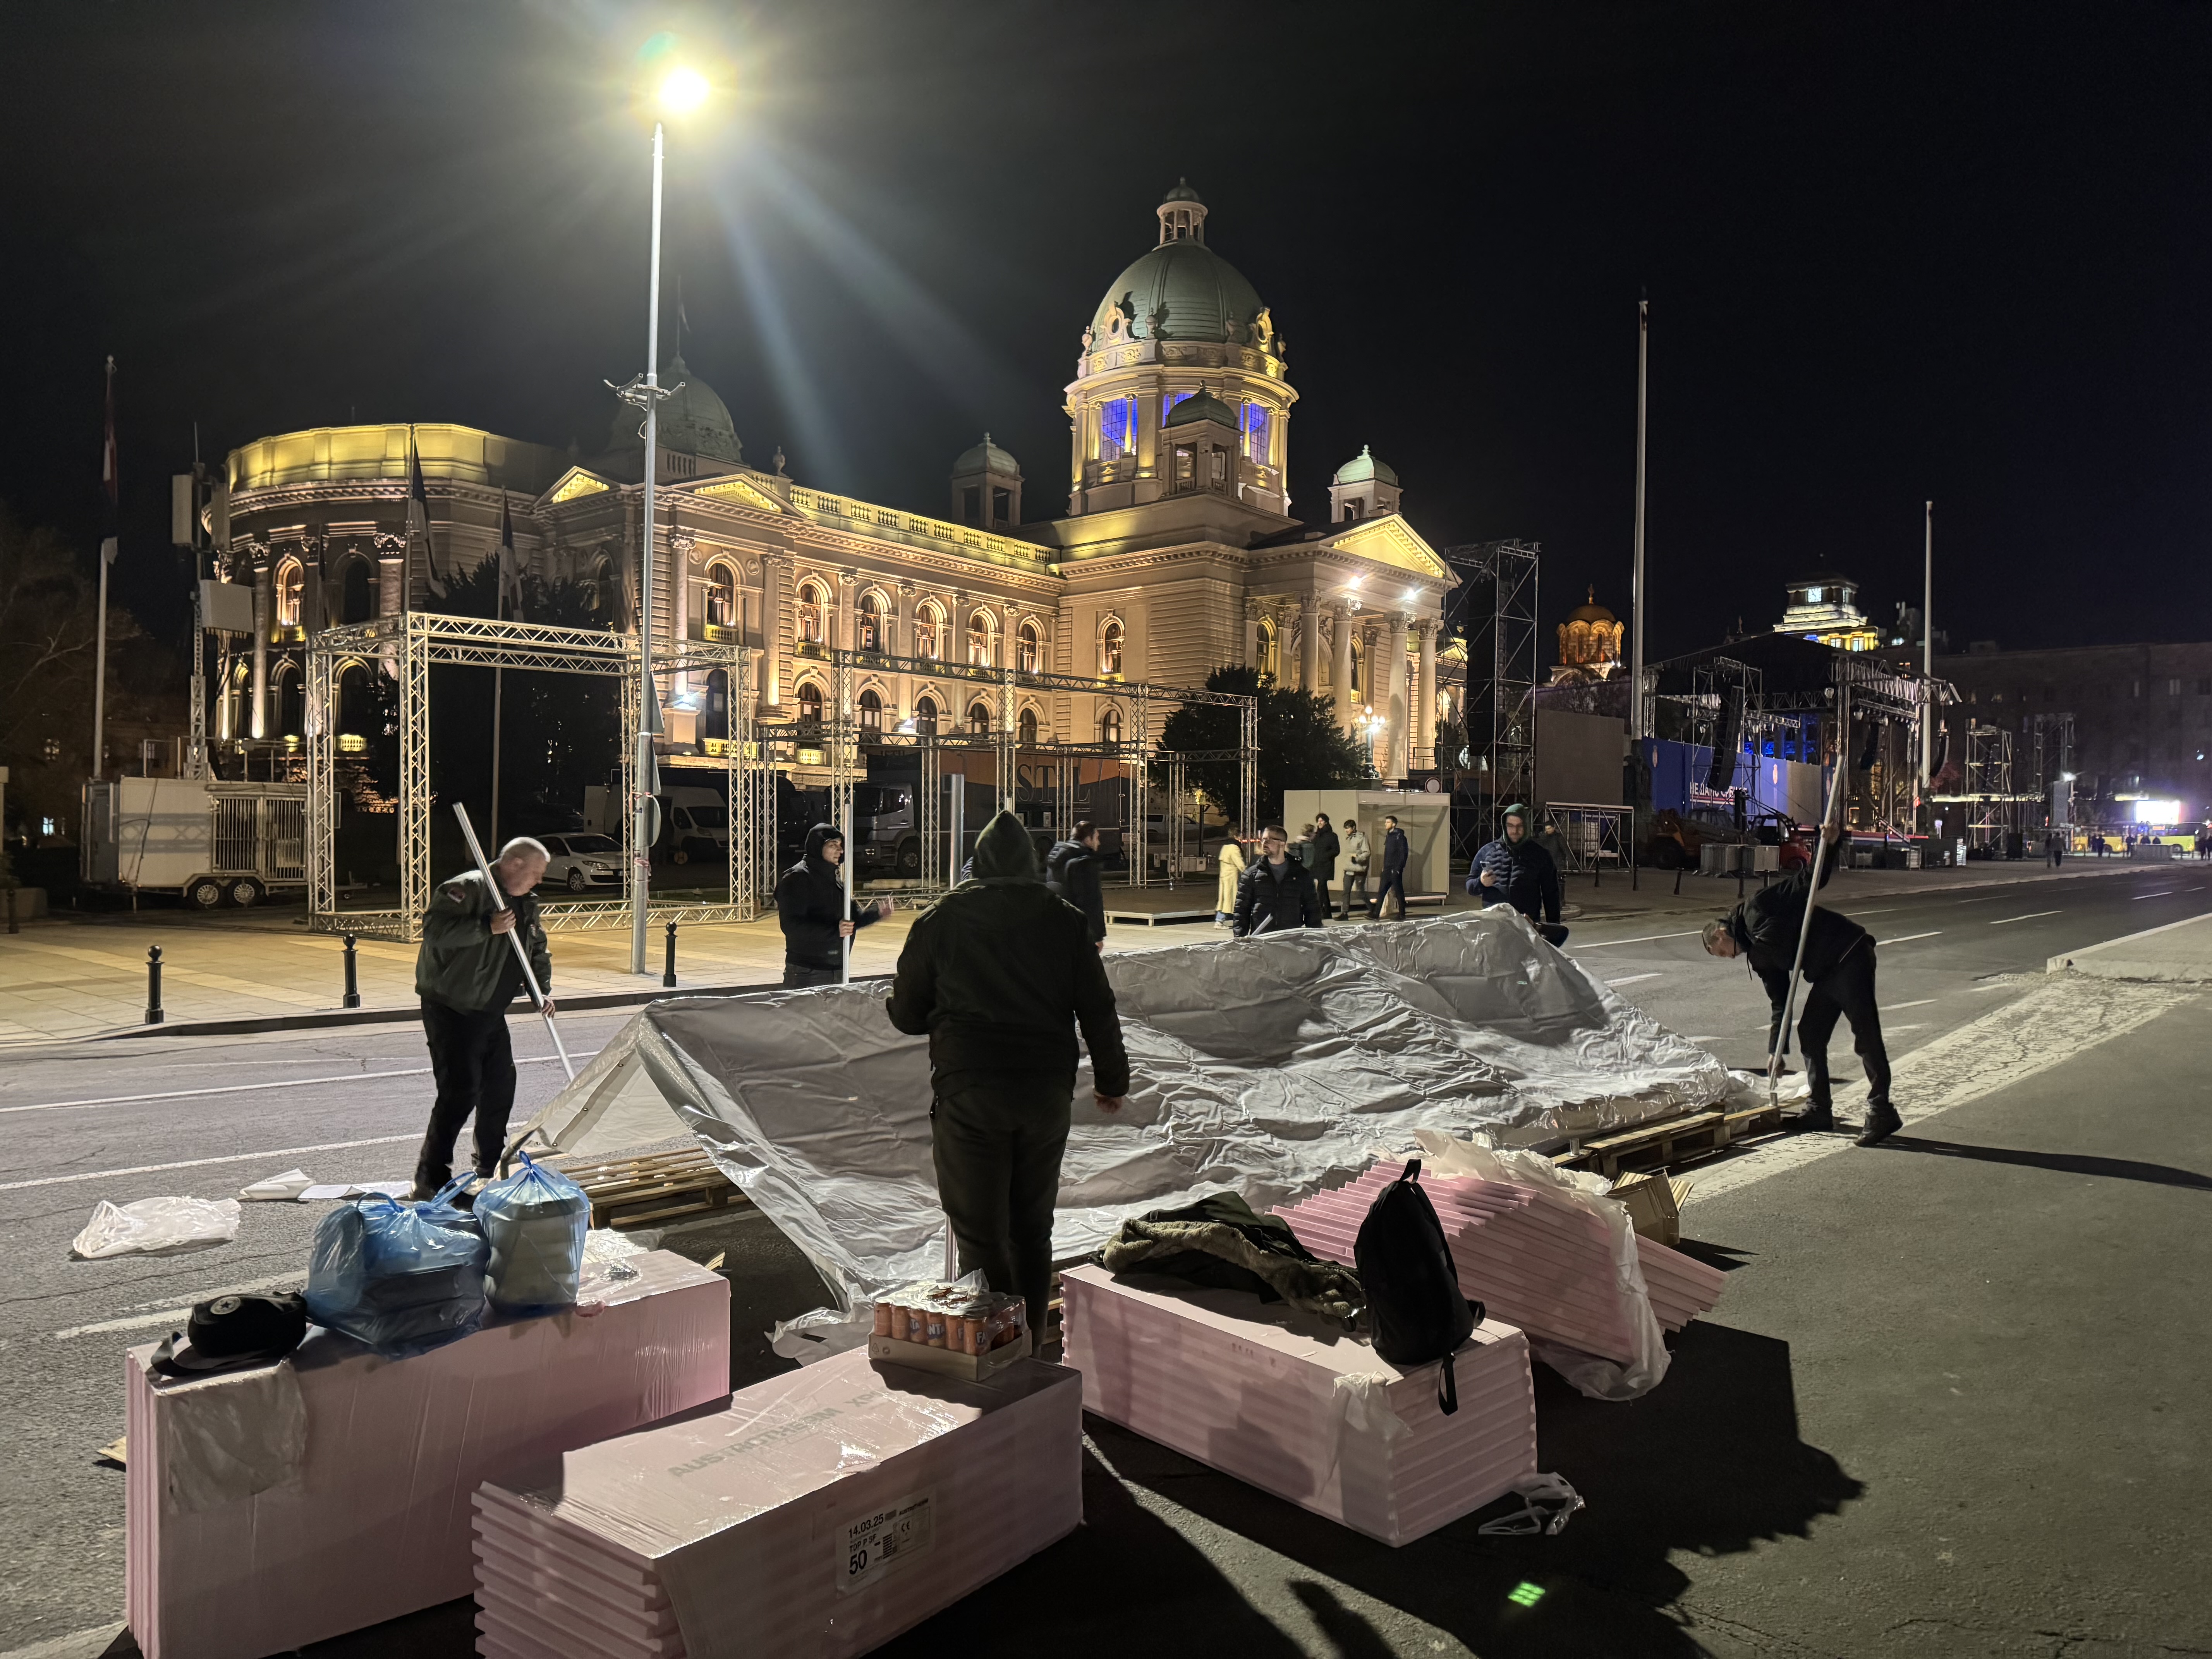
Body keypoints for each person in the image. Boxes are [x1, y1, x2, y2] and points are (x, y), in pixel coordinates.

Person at [887, 811, 1130, 1334]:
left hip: (969, 1091)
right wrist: (1112, 1081)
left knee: (979, 1233)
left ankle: (999, 1351)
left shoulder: (941, 920)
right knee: (1032, 1230)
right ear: (1030, 864)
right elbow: (1098, 1007)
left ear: (981, 862)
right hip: (1044, 1093)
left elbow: (907, 1014)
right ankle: (1035, 1345)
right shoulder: (1064, 919)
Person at [1700, 823, 1899, 1146]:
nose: (1729, 958)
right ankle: (1820, 1109)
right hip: (1825, 973)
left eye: (1722, 953)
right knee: (1811, 1033)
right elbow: (1781, 1003)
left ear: (1721, 934)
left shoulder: (1759, 906)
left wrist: (1830, 845)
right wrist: (1775, 1051)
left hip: (1849, 953)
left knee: (1865, 1033)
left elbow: (1809, 881)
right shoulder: (1758, 959)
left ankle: (1882, 1110)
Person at [409, 836, 553, 1200]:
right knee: (460, 1092)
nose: (539, 881)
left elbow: (535, 946)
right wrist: (486, 927)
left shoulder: (526, 902)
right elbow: (434, 932)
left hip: (490, 1008)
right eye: (536, 873)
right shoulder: (467, 889)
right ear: (516, 864)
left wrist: (541, 991)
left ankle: (489, 1166)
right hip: (453, 1007)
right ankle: (431, 1178)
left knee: (500, 1087)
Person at [776, 824, 892, 988]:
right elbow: (791, 926)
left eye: (840, 845)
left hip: (837, 968)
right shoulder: (798, 878)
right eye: (833, 845)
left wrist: (876, 914)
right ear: (817, 847)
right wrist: (834, 931)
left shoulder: (835, 880)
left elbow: (851, 921)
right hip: (808, 971)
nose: (840, 851)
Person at [1467, 802, 1567, 945]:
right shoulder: (1487, 852)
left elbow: (1551, 895)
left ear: (1526, 826)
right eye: (1510, 826)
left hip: (1526, 928)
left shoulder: (1540, 856)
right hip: (1493, 928)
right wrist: (1481, 883)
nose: (1515, 831)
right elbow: (1470, 886)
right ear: (1504, 826)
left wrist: (1553, 932)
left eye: (1519, 826)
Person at [1234, 824, 1326, 936]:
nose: (1264, 843)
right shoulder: (1251, 875)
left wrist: (1315, 938)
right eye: (1263, 840)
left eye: (1270, 840)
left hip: (1291, 940)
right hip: (1262, 940)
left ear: (1282, 844)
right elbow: (1242, 911)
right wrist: (1240, 940)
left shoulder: (1301, 874)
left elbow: (1312, 909)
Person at [1045, 819, 1108, 949]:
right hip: (1078, 931)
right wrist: (1097, 936)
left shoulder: (1056, 858)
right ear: (1088, 839)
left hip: (1055, 927)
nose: (1099, 842)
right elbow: (1091, 902)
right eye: (1097, 838)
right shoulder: (1085, 863)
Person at [1368, 814, 1410, 919]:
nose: (1385, 824)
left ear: (1394, 824)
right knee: (1381, 891)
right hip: (1387, 869)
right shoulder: (1389, 836)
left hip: (1395, 870)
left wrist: (1398, 869)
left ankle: (1402, 914)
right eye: (1386, 822)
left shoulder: (1400, 837)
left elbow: (1403, 854)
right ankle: (1376, 914)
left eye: (1388, 822)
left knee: (1399, 892)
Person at [1307, 812, 1341, 920]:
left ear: (1326, 822)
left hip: (1326, 866)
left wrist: (1325, 856)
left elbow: (1336, 850)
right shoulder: (1317, 836)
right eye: (1318, 821)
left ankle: (1322, 912)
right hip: (1317, 865)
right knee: (1323, 890)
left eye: (1322, 821)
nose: (1320, 823)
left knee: (1321, 889)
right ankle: (1326, 913)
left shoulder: (1332, 836)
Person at [1339, 818, 1370, 919]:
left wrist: (1357, 859)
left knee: (1360, 892)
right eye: (1345, 829)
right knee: (1346, 891)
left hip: (1359, 869)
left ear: (1353, 828)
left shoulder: (1362, 838)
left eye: (1348, 828)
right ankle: (1345, 913)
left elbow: (1367, 852)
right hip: (1349, 869)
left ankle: (1373, 909)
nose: (1346, 831)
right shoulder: (1349, 839)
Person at [1213, 835, 1247, 927]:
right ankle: (1221, 922)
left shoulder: (1225, 846)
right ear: (1236, 836)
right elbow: (1239, 863)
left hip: (1224, 875)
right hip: (1231, 877)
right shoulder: (1234, 848)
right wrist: (1247, 872)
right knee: (1231, 899)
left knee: (1224, 899)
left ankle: (1219, 920)